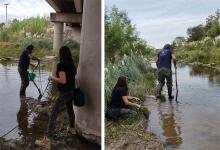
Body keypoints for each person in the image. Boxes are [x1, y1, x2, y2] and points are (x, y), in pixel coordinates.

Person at [35, 46, 76, 149]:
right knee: (70, 109)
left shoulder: (61, 65)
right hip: (71, 91)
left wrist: (52, 77)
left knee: (54, 112)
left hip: (65, 93)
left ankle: (47, 140)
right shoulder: (72, 64)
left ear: (61, 54)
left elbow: (63, 80)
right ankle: (72, 128)